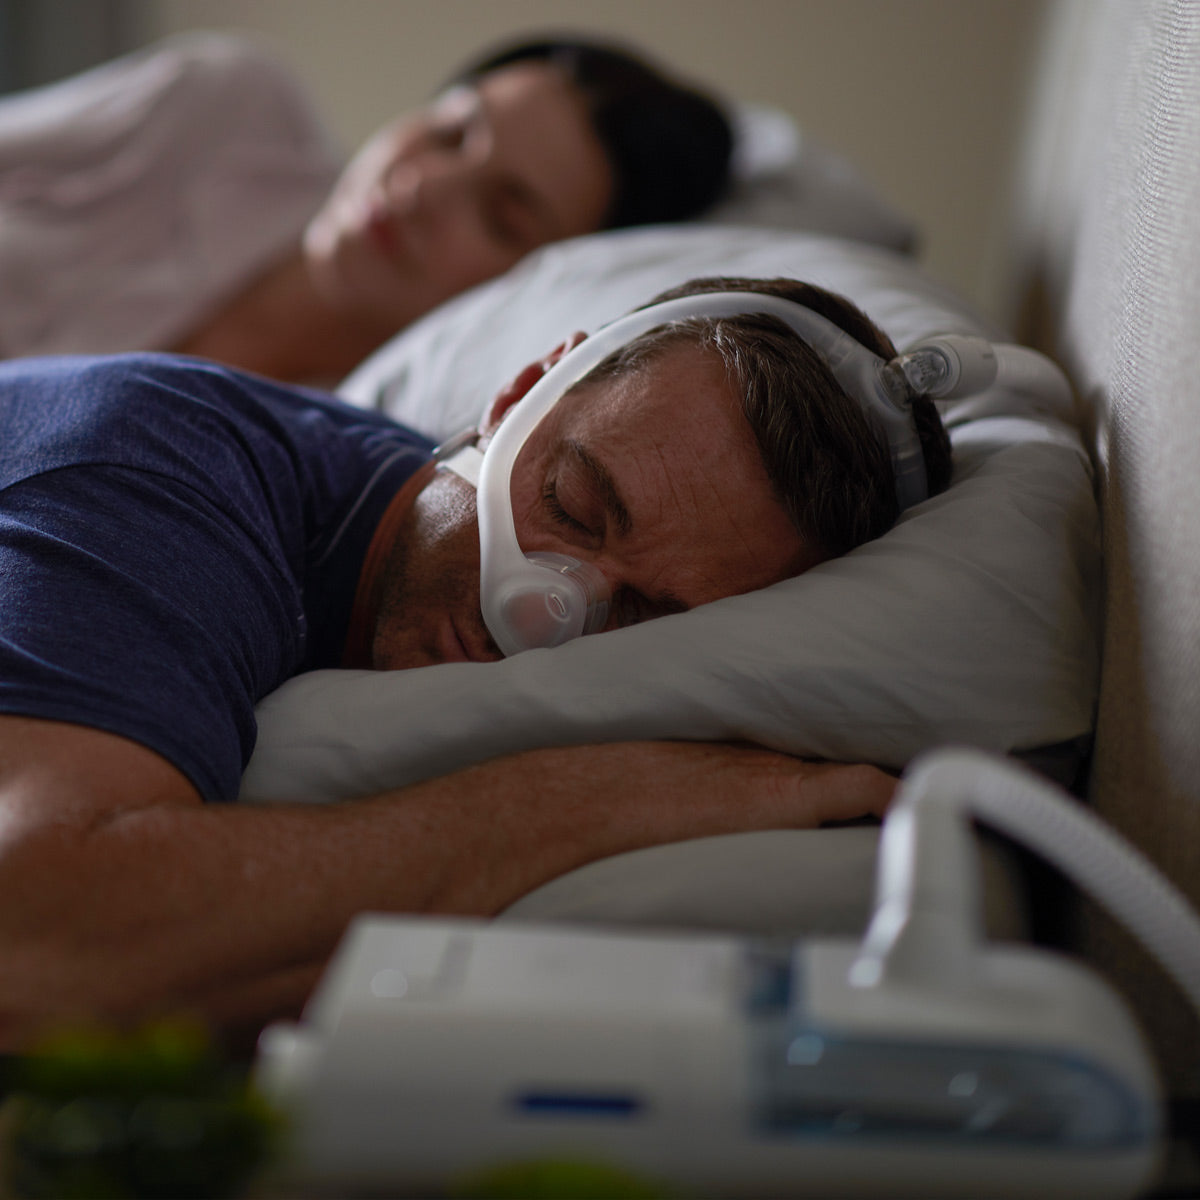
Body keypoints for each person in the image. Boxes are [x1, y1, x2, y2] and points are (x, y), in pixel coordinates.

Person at [0, 277, 951, 1046]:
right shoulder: (156, 477)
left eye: (647, 616)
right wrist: (586, 802)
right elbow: (36, 936)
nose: (543, 608)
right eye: (573, 507)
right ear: (516, 395)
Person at [0, 32, 732, 383]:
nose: (420, 188)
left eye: (501, 216)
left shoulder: (353, 456)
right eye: (448, 132)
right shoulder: (228, 110)